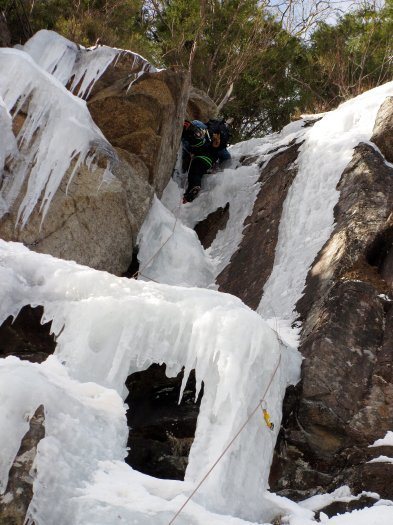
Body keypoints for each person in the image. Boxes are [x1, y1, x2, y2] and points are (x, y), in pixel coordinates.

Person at [181, 118, 231, 203]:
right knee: (196, 171)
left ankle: (190, 193)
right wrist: (219, 167)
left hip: (200, 154)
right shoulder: (219, 140)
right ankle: (190, 194)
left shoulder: (208, 127)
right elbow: (226, 156)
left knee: (194, 171)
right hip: (208, 158)